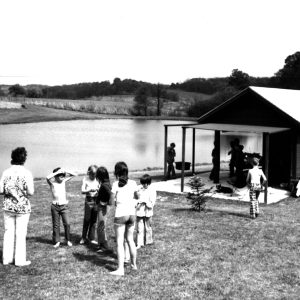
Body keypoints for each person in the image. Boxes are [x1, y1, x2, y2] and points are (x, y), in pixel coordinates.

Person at [0, 147, 34, 266]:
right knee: (21, 233)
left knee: (8, 232)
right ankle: (20, 260)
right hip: (22, 207)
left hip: (8, 207)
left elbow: (1, 190)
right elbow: (31, 192)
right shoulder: (27, 173)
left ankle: (6, 259)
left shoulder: (5, 172)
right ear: (24, 159)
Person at [110, 161, 138, 276]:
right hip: (132, 214)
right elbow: (136, 197)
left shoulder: (116, 184)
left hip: (121, 214)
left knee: (120, 243)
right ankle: (134, 265)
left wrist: (116, 199)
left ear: (116, 172)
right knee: (130, 240)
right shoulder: (133, 183)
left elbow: (111, 202)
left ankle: (120, 269)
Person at [46, 167, 76, 248]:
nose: (62, 177)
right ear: (55, 176)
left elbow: (74, 174)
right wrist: (57, 172)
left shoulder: (64, 181)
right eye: (60, 175)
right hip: (55, 206)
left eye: (63, 175)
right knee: (56, 225)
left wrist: (64, 171)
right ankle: (57, 241)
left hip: (64, 206)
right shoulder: (52, 183)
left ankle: (68, 240)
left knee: (67, 223)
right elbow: (47, 177)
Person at [80, 165, 100, 245]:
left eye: (95, 175)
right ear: (89, 173)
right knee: (87, 220)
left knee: (94, 220)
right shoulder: (85, 179)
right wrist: (88, 190)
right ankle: (83, 238)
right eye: (92, 174)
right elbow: (82, 190)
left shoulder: (98, 180)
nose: (93, 176)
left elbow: (100, 188)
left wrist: (98, 190)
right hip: (88, 201)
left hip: (96, 200)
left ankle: (91, 238)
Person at [135, 174, 156, 249]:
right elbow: (136, 199)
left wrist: (145, 202)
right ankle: (139, 243)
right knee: (140, 228)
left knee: (148, 227)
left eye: (145, 183)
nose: (143, 185)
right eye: (142, 183)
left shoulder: (152, 190)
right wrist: (138, 202)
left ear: (148, 183)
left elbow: (152, 203)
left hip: (148, 211)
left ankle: (149, 241)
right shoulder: (139, 189)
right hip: (140, 211)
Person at [95, 166, 112, 252]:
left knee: (101, 227)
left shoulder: (105, 185)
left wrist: (105, 203)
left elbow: (111, 195)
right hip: (101, 207)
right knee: (100, 227)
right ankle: (100, 244)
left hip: (102, 208)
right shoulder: (106, 183)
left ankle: (104, 246)